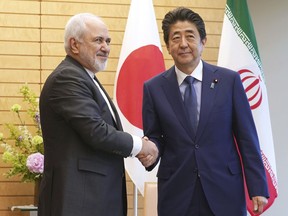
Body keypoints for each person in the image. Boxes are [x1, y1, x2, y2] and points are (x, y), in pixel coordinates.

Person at [141, 7, 269, 216]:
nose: (183, 44)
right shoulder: (153, 88)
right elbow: (155, 136)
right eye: (176, 38)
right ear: (167, 46)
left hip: (224, 189)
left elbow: (247, 137)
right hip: (177, 191)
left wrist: (258, 187)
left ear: (203, 42)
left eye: (190, 36)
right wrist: (150, 152)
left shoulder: (229, 81)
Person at [38, 13, 158, 216]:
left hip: (94, 200)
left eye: (108, 41)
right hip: (78, 202)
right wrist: (140, 146)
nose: (106, 47)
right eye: (98, 40)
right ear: (74, 45)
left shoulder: (85, 77)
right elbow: (97, 132)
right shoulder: (67, 78)